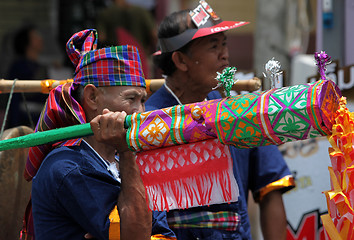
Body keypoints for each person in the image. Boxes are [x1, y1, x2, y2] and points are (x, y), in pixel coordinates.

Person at [146, 1, 295, 239]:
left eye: (224, 44)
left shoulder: (238, 112)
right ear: (181, 61)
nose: (225, 54)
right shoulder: (151, 123)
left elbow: (270, 187)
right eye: (213, 46)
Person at [22, 29, 176, 240]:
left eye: (143, 100)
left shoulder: (119, 158)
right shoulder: (68, 167)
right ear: (92, 97)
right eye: (130, 99)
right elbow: (136, 235)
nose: (141, 113)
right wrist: (127, 151)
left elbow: (163, 233)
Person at [96, 0, 157, 77]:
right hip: (140, 57)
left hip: (117, 60)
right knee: (145, 85)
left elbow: (101, 37)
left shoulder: (106, 13)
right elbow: (154, 35)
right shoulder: (142, 12)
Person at [6, 24, 48, 128]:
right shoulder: (18, 67)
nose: (40, 39)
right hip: (25, 122)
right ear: (27, 42)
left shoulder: (40, 67)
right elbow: (14, 100)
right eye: (35, 37)